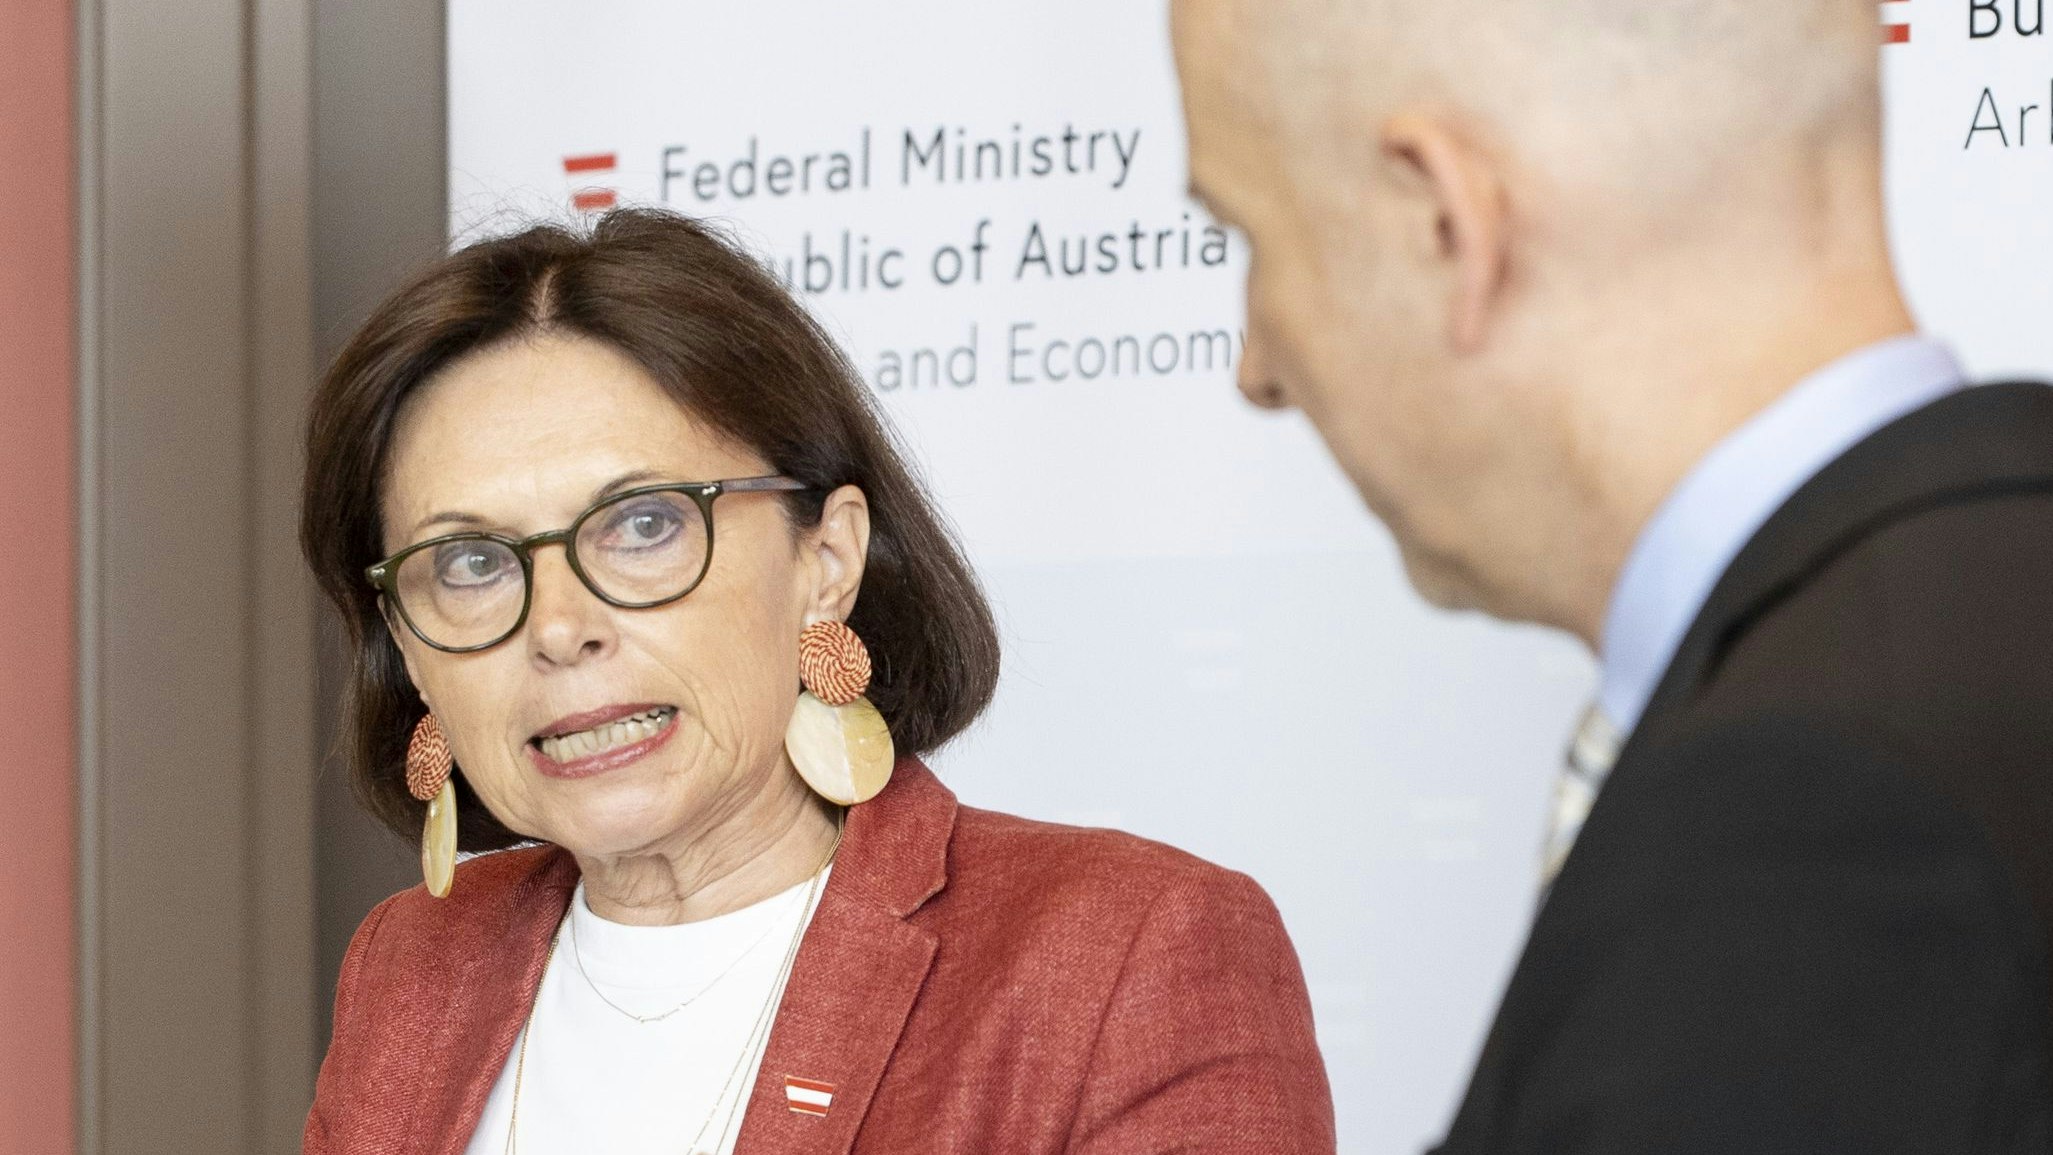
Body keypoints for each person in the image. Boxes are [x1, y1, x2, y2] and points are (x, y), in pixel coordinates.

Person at [1172, 0, 2053, 1150]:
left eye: (1255, 240)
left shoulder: (1799, 828)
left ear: (1445, 219)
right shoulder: (1981, 627)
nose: (1256, 370)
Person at [299, 208, 1335, 1154]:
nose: (561, 629)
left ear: (825, 561)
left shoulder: (1130, 955)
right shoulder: (412, 966)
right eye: (472, 564)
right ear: (408, 644)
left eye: (645, 525)